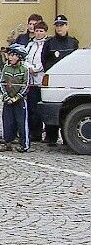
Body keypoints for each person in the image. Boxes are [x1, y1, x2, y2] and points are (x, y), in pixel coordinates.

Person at [41, 14, 79, 146]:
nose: (59, 28)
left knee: (68, 109)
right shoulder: (49, 43)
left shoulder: (73, 42)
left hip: (69, 80)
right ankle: (51, 137)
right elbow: (44, 60)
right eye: (57, 26)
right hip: (54, 80)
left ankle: (67, 137)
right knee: (53, 108)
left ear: (67, 26)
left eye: (62, 25)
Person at [0, 44, 31, 153]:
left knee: (21, 123)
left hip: (20, 101)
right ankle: (7, 142)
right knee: (7, 122)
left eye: (13, 55)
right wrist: (5, 96)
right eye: (10, 55)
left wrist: (17, 97)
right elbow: (1, 82)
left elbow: (26, 85)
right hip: (8, 100)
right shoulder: (6, 68)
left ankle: (24, 144)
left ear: (19, 57)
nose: (10, 57)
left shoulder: (24, 69)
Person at [24, 21, 48, 142]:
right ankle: (34, 132)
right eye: (37, 31)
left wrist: (36, 69)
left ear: (45, 32)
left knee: (41, 108)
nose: (38, 33)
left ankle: (45, 132)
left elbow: (45, 59)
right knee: (31, 108)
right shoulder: (30, 45)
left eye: (41, 31)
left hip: (41, 80)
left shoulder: (46, 44)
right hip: (31, 81)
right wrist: (29, 68)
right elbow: (24, 57)